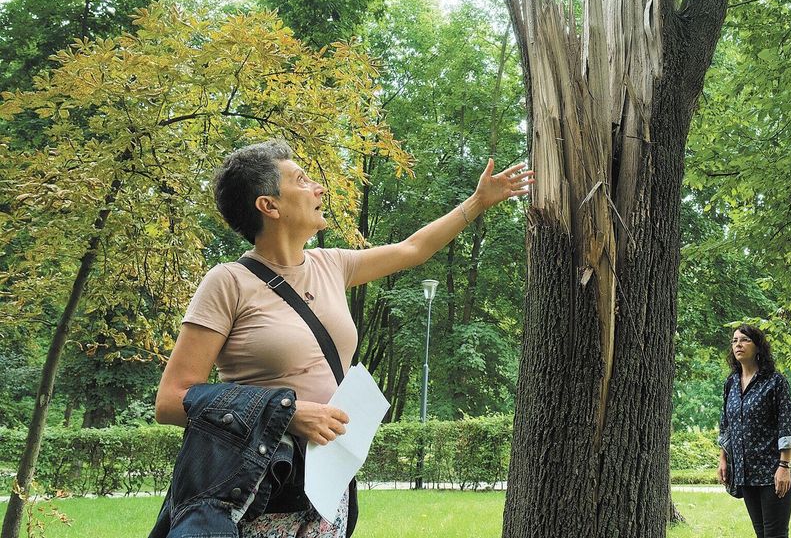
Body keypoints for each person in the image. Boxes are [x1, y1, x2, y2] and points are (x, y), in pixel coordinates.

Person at [153, 140, 532, 537]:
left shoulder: (331, 264)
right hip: (257, 485)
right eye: (302, 180)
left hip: (323, 484)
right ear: (270, 206)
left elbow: (412, 249)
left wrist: (477, 202)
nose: (318, 188)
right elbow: (171, 400)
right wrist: (287, 413)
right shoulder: (227, 282)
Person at [717, 324, 791, 538]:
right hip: (745, 473)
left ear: (758, 347)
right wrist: (723, 458)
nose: (738, 345)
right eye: (734, 341)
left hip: (773, 471)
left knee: (775, 535)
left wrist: (784, 466)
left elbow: (787, 424)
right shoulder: (731, 383)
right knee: (761, 533)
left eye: (744, 340)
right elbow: (726, 423)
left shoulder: (775, 382)